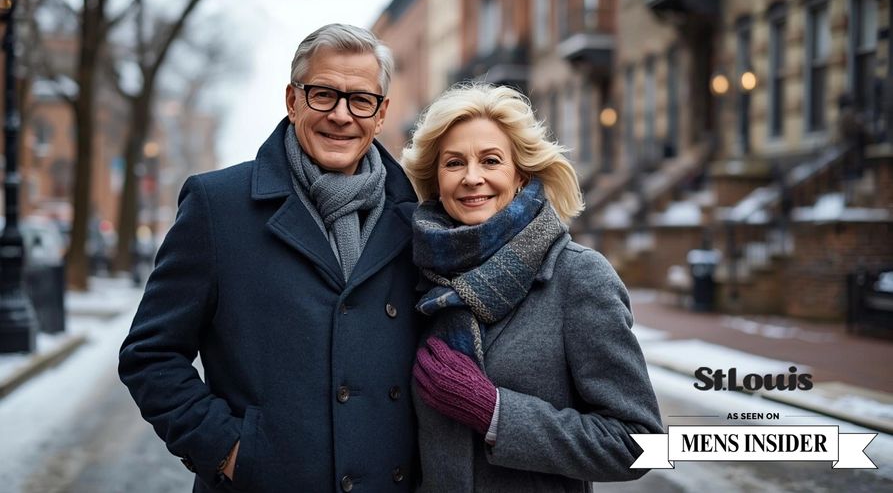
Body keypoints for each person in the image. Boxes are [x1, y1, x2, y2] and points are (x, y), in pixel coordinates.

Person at [118, 24, 420, 492]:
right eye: (323, 94)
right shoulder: (218, 205)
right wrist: (230, 451)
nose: (342, 115)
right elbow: (150, 355)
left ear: (380, 115)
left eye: (360, 100)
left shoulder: (414, 220)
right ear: (292, 100)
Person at [401, 83, 663, 492]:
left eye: (491, 160)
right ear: (435, 179)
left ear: (521, 175)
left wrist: (496, 415)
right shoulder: (416, 277)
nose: (472, 178)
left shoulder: (577, 276)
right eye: (454, 163)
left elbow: (642, 444)